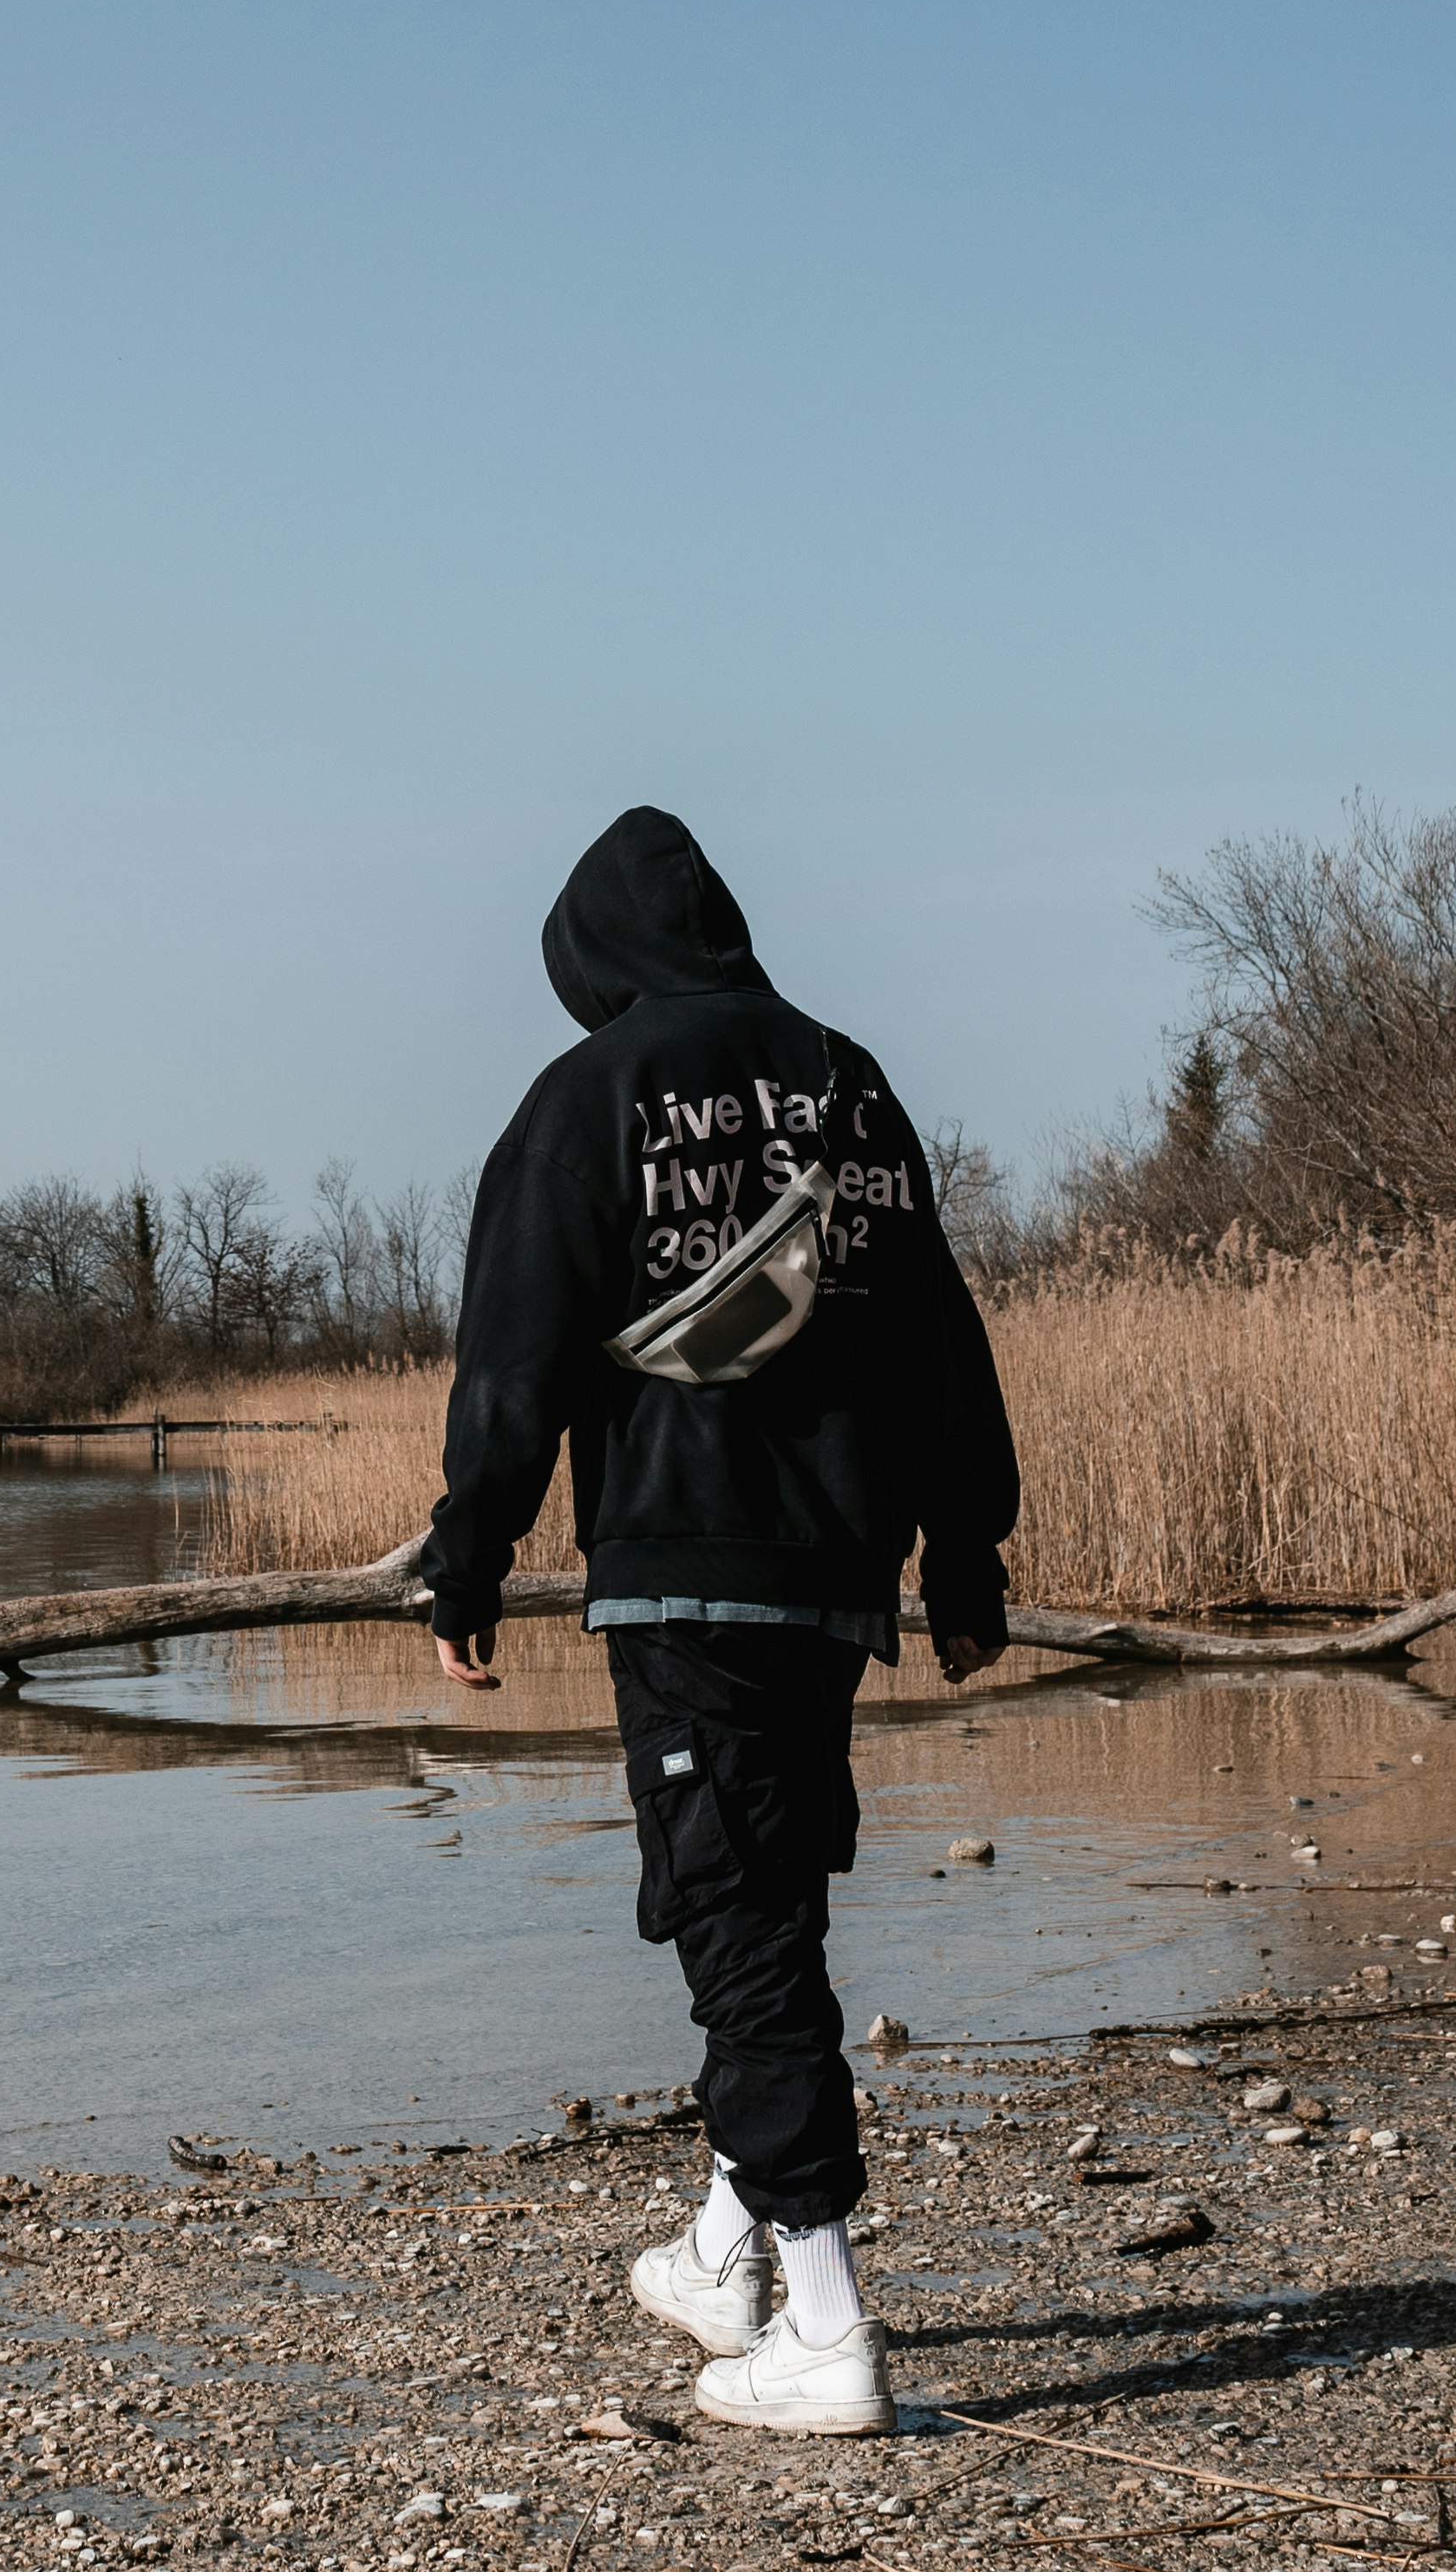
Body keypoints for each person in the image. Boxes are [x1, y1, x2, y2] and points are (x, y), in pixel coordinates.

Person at [420, 806, 1019, 2436]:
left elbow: (513, 1361)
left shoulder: (587, 1097)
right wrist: (964, 1553)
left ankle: (824, 2332)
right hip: (838, 1572)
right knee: (765, 1893)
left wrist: (465, 1559)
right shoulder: (844, 1076)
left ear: (590, 957)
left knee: (733, 1919)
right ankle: (721, 2249)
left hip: (684, 1561)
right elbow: (937, 1335)